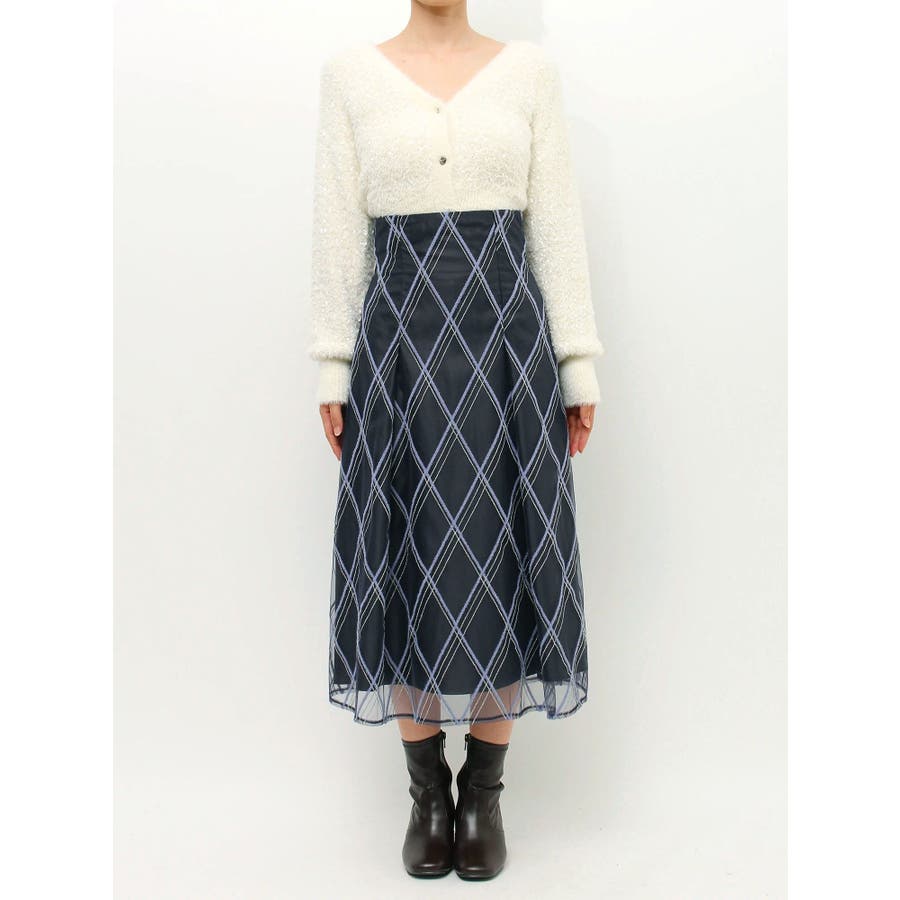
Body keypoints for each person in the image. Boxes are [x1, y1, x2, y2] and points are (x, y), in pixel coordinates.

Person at [307, 1, 603, 881]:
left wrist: (577, 362)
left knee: (506, 554)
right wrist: (333, 365)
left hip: (507, 345)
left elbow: (556, 221)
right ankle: (426, 793)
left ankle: (484, 792)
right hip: (397, 347)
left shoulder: (528, 74)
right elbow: (337, 224)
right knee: (402, 554)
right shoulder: (351, 76)